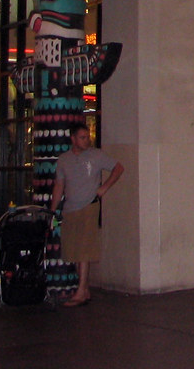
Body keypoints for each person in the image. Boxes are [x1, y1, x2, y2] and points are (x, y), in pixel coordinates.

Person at [49, 123, 124, 307]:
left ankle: (81, 291)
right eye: (82, 137)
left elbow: (118, 168)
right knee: (75, 250)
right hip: (70, 208)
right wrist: (52, 210)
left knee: (84, 249)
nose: (87, 140)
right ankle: (84, 289)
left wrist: (104, 188)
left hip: (88, 206)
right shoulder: (64, 160)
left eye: (87, 136)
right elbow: (59, 185)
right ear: (73, 139)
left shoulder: (96, 155)